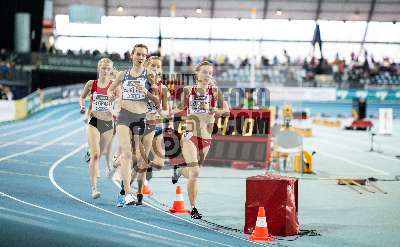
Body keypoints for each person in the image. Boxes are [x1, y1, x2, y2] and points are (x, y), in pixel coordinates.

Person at [171, 61, 228, 219]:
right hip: (190, 135)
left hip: (206, 138)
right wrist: (168, 111)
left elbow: (226, 111)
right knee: (195, 172)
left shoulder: (215, 91)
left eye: (210, 73)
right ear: (197, 73)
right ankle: (194, 208)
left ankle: (178, 170)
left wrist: (215, 110)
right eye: (204, 72)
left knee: (192, 173)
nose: (207, 75)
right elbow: (180, 107)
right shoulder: (189, 90)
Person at [107, 44, 159, 206]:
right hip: (124, 116)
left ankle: (127, 185)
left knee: (138, 158)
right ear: (132, 55)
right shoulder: (123, 74)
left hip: (141, 117)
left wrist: (146, 92)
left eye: (144, 55)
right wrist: (111, 100)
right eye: (138, 54)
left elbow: (156, 101)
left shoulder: (150, 75)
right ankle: (128, 193)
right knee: (127, 154)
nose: (141, 57)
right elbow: (111, 90)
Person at [79, 58, 116, 199]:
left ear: (111, 70)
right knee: (95, 155)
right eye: (103, 68)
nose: (105, 71)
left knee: (102, 152)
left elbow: (120, 104)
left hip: (108, 124)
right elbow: (82, 97)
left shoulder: (114, 86)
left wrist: (114, 109)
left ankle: (91, 152)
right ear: (99, 68)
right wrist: (82, 107)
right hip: (94, 121)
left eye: (108, 69)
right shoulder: (91, 84)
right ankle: (94, 189)